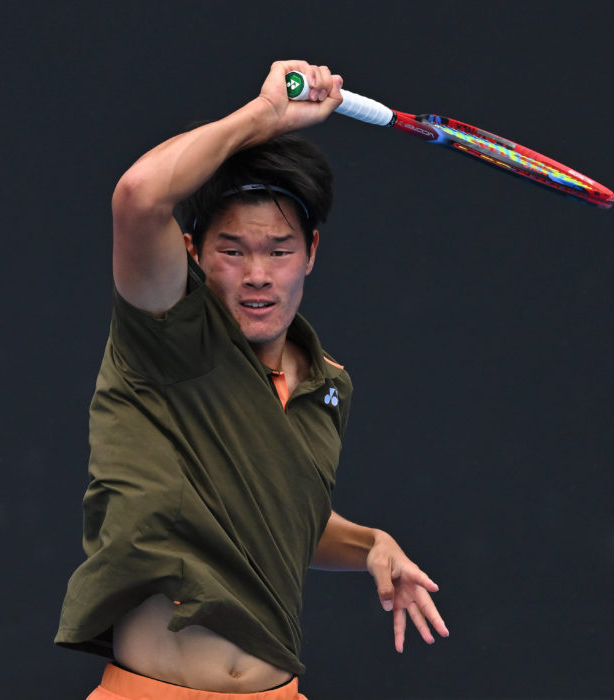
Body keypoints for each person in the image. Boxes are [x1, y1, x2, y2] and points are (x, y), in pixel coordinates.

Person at [56, 60, 449, 700]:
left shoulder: (329, 386)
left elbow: (283, 516)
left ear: (311, 254)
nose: (258, 273)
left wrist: (373, 544)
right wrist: (262, 117)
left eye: (279, 250)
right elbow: (138, 194)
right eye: (233, 251)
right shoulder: (167, 334)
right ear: (192, 254)